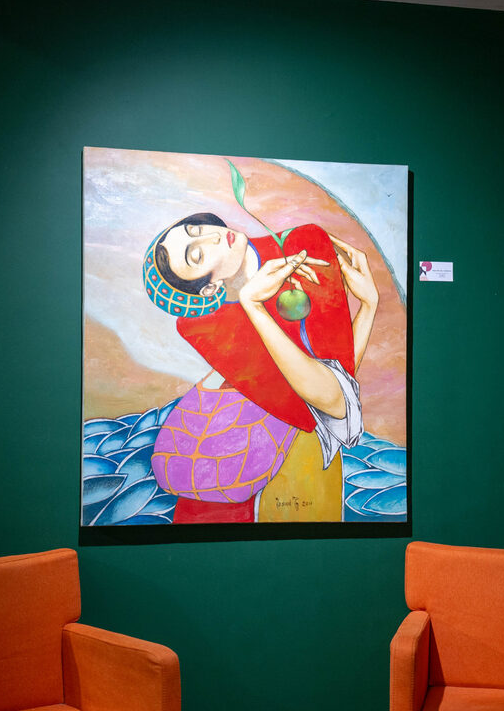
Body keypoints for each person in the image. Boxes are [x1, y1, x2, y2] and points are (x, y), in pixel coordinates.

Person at [141, 212, 380, 523]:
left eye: (195, 228)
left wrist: (369, 306)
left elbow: (335, 395)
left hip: (293, 468)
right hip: (230, 474)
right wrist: (252, 305)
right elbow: (330, 401)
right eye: (197, 255)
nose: (212, 236)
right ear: (209, 288)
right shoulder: (201, 326)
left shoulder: (304, 244)